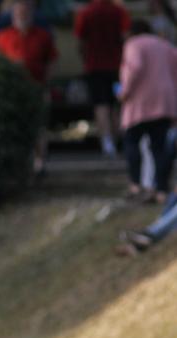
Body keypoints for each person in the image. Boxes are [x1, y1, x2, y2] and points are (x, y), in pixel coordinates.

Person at [117, 19, 177, 205]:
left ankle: (136, 185)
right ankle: (161, 189)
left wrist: (125, 92)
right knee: (160, 147)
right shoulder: (165, 45)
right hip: (164, 101)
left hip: (140, 103)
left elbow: (135, 67)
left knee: (131, 141)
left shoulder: (134, 44)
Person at [0, 0, 58, 173]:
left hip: (37, 86)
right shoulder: (3, 36)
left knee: (38, 125)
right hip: (12, 90)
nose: (22, 16)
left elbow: (52, 60)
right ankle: (17, 162)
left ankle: (39, 161)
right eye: (19, 13)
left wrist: (47, 82)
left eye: (25, 13)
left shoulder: (42, 35)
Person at [74, 0, 131, 157]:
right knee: (117, 103)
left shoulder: (86, 12)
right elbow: (126, 36)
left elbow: (80, 41)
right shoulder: (119, 12)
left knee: (101, 104)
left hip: (95, 68)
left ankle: (107, 141)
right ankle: (118, 138)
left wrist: (85, 58)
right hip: (117, 69)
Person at [117, 189, 177, 256]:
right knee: (173, 217)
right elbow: (147, 241)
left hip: (154, 229)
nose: (123, 247)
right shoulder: (136, 249)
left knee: (171, 213)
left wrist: (131, 236)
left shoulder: (132, 244)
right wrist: (131, 237)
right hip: (155, 232)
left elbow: (142, 234)